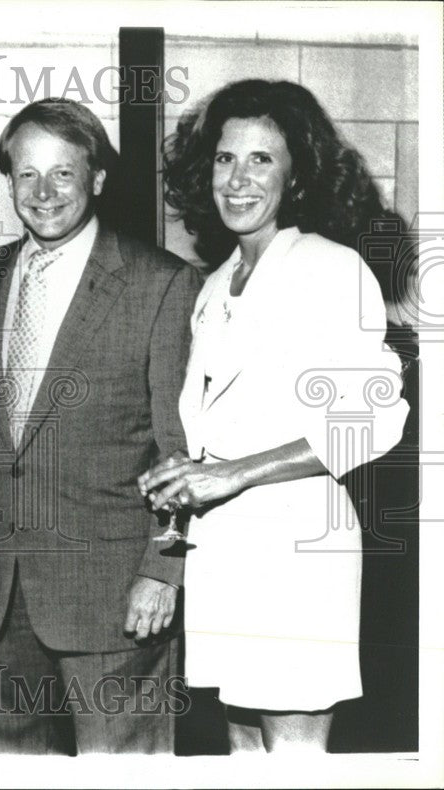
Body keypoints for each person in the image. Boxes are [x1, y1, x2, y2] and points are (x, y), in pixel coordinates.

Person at [143, 78, 410, 753]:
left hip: (297, 555)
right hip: (223, 553)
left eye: (261, 159)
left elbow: (367, 423)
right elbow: (218, 421)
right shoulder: (212, 287)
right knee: (241, 751)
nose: (237, 179)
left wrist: (230, 473)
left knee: (293, 754)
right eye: (225, 159)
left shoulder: (332, 268)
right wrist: (186, 472)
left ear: (296, 178)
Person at [0, 98, 202, 754]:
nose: (43, 193)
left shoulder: (160, 285)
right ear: (9, 180)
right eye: (26, 174)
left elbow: (186, 450)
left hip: (115, 597)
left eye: (62, 173)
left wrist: (166, 567)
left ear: (96, 179)